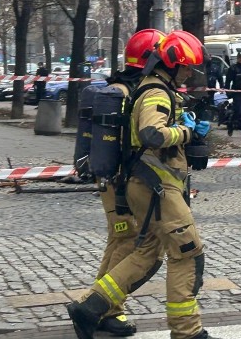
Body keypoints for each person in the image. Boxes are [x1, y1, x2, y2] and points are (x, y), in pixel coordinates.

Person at [66, 30, 219, 339]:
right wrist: (186, 133)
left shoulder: (151, 89)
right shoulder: (155, 92)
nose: (190, 73)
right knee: (187, 252)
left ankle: (93, 306)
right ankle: (187, 332)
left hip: (148, 184)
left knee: (147, 250)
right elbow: (151, 134)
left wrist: (186, 125)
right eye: (187, 67)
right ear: (174, 63)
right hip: (154, 186)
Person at [83, 29, 166, 337]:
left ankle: (100, 306)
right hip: (121, 183)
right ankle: (103, 308)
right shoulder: (131, 93)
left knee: (119, 239)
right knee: (128, 240)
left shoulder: (119, 87)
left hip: (113, 180)